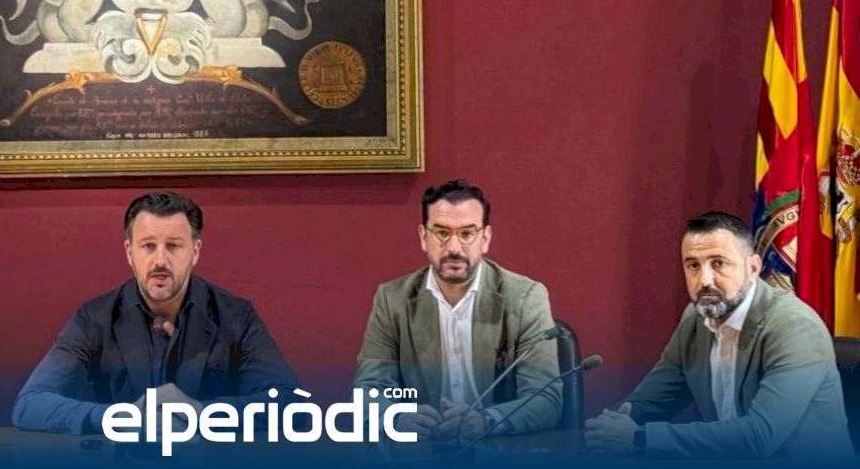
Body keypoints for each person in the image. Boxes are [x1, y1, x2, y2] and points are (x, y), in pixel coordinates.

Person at [12, 190, 299, 434]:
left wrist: (202, 413)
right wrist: (118, 418)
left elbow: (293, 407)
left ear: (195, 251)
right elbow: (30, 404)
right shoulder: (93, 319)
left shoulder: (236, 316)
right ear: (129, 252)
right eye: (148, 246)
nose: (160, 260)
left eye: (173, 246)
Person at [584, 211, 853, 459]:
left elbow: (759, 437)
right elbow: (651, 400)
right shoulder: (695, 319)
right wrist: (609, 426)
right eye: (693, 265)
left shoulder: (795, 327)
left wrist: (640, 438)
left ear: (753, 268)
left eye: (718, 263)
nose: (704, 280)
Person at [353, 180, 561, 444]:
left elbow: (546, 399)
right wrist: (397, 418)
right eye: (441, 232)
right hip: (423, 449)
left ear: (485, 238)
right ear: (423, 237)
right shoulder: (392, 299)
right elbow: (366, 392)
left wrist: (487, 420)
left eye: (467, 233)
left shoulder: (525, 298)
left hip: (498, 449)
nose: (453, 248)